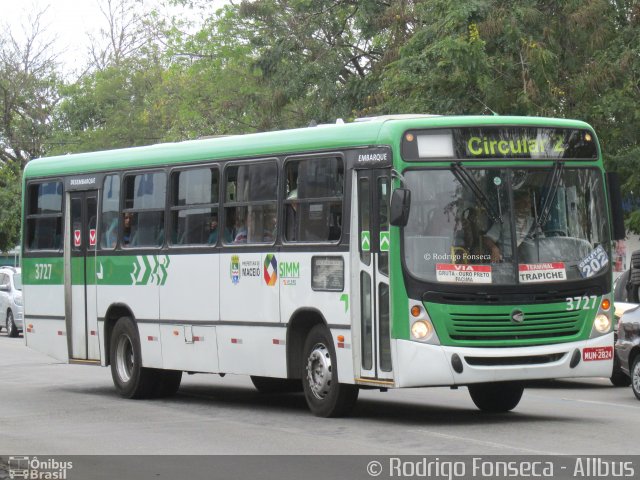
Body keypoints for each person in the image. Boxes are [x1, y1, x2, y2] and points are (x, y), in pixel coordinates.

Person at [484, 190, 534, 263]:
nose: (527, 205)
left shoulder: (533, 223)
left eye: (529, 203)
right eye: (523, 202)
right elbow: (488, 238)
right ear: (515, 203)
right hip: (507, 262)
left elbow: (542, 241)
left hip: (529, 263)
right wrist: (494, 248)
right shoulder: (503, 220)